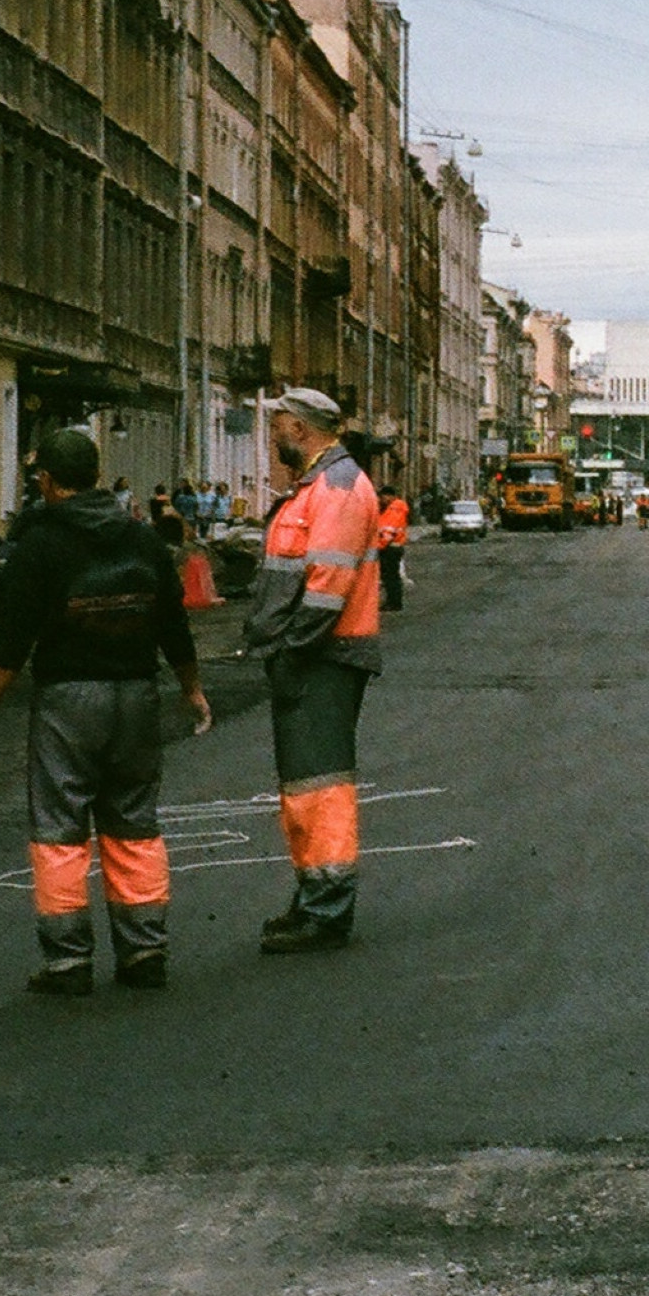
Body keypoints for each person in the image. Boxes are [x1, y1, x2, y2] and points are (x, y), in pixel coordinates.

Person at [0, 427, 210, 995]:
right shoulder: (142, 539)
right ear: (95, 477)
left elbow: (13, 642)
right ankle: (144, 952)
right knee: (134, 823)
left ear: (47, 482)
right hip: (137, 697)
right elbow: (174, 623)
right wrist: (191, 689)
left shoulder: (40, 544)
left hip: (69, 700)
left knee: (61, 828)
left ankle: (68, 961)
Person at [247, 389, 382, 955]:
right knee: (304, 788)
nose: (272, 436)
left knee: (322, 790)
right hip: (312, 654)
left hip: (323, 656)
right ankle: (313, 900)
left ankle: (326, 911)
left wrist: (291, 649)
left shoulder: (338, 488)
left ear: (299, 429)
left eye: (277, 425)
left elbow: (328, 586)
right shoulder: (317, 487)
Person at [362, 443, 411, 615]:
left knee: (391, 578)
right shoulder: (392, 508)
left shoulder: (395, 509)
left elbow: (388, 531)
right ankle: (392, 601)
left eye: (382, 496)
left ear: (389, 496)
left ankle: (394, 603)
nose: (380, 499)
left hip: (390, 548)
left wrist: (379, 546)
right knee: (390, 577)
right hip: (391, 548)